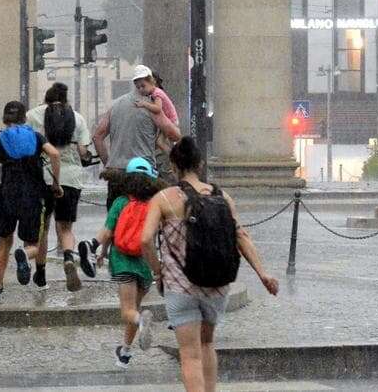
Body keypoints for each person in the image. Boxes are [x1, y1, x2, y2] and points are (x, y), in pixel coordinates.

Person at [140, 137, 280, 392]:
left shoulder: (164, 198)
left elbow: (145, 239)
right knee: (207, 344)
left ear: (173, 166)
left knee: (189, 354)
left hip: (179, 287)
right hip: (216, 285)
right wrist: (263, 274)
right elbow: (241, 237)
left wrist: (158, 270)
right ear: (201, 164)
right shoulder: (222, 197)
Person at [0, 101, 63, 305]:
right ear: (24, 117)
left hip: (7, 196)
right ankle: (24, 254)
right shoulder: (35, 136)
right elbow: (55, 154)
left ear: (5, 119)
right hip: (33, 196)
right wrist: (56, 183)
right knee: (33, 244)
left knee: (4, 243)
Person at [94, 157, 165, 369]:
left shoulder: (120, 202)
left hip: (123, 261)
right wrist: (159, 269)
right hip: (144, 265)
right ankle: (125, 352)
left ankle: (141, 323)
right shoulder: (155, 206)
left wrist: (101, 251)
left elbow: (108, 232)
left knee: (128, 312)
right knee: (135, 309)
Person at [26, 83, 94, 292]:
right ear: (66, 100)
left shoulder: (32, 116)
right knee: (65, 228)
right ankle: (67, 257)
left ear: (46, 99)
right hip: (71, 179)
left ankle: (41, 274)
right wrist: (87, 156)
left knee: (43, 228)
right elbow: (83, 151)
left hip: (44, 179)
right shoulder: (78, 118)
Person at [92, 63, 181, 210]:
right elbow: (174, 135)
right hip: (142, 175)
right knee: (143, 223)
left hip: (116, 175)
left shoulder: (117, 104)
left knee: (115, 223)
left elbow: (97, 136)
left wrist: (110, 162)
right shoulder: (151, 106)